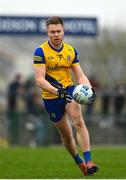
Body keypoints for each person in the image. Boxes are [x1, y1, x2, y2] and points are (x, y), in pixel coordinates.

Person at [33, 16, 98, 176]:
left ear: (64, 31)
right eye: (52, 31)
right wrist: (57, 92)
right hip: (50, 97)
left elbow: (80, 76)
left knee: (78, 121)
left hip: (69, 91)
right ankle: (79, 161)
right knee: (66, 135)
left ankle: (89, 160)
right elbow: (39, 79)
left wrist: (89, 88)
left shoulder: (70, 50)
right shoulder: (40, 51)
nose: (56, 34)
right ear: (47, 33)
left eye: (58, 31)